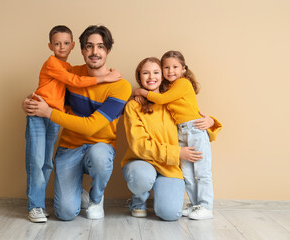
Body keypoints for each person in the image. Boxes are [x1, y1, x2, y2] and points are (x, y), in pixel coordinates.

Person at [23, 25, 132, 221]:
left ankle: (96, 199)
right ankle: (80, 194)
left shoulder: (120, 86)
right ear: (81, 49)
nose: (94, 52)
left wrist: (47, 112)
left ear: (108, 50)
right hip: (69, 148)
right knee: (65, 213)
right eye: (89, 46)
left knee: (99, 155)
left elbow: (90, 125)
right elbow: (51, 97)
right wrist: (29, 102)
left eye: (100, 47)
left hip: (100, 147)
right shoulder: (72, 75)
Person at [122, 57, 222, 221]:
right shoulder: (133, 106)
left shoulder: (171, 102)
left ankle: (191, 203)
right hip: (143, 161)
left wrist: (211, 122)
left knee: (169, 214)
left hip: (169, 166)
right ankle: (138, 201)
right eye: (145, 73)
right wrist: (178, 153)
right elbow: (139, 145)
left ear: (162, 76)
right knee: (142, 177)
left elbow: (191, 129)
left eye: (156, 72)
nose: (151, 77)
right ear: (139, 77)